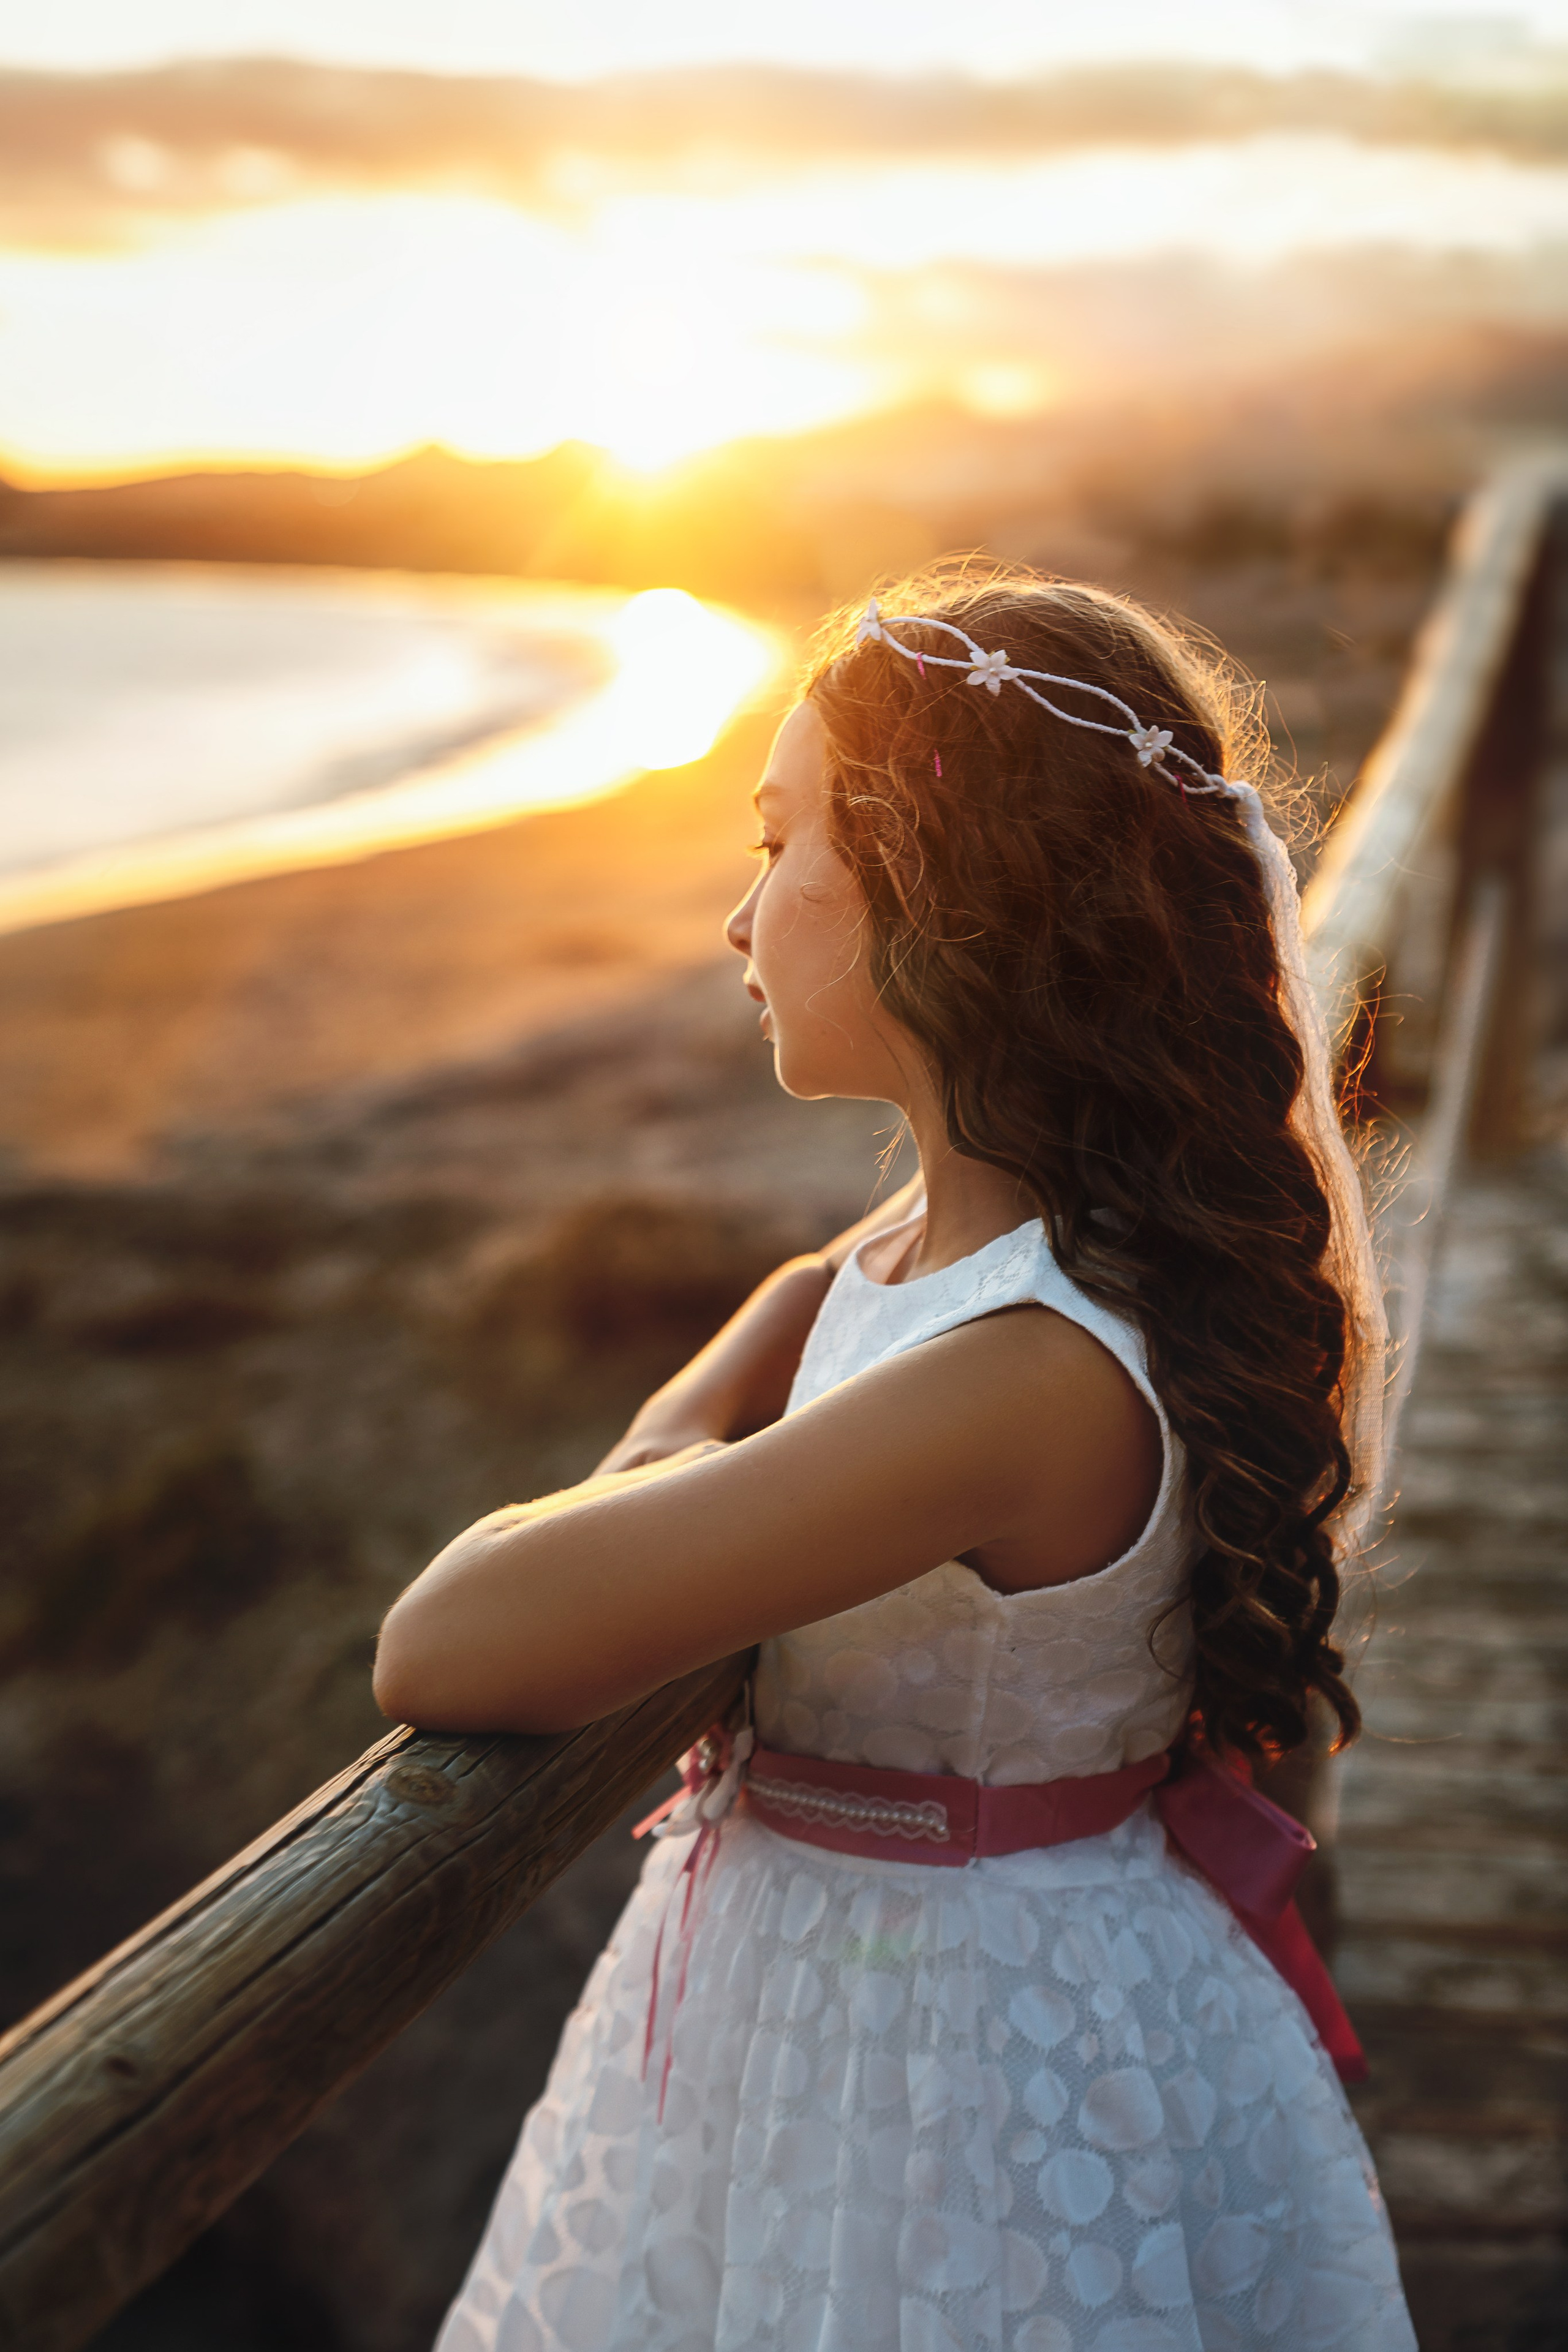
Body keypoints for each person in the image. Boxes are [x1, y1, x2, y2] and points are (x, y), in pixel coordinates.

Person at [376, 567, 1415, 2352]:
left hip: (954, 2065)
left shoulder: (1018, 1381)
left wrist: (691, 1422)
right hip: (859, 2002)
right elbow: (797, 1331)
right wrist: (781, 1333)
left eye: (779, 846)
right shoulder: (926, 1282)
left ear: (941, 905)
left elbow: (450, 1635)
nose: (737, 917)